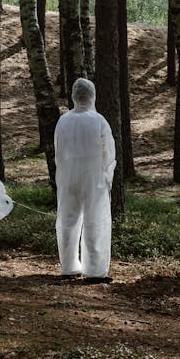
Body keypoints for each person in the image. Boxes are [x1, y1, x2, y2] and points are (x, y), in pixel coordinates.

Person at [54, 78, 116, 282]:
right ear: (92, 95)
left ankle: (69, 265)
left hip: (69, 176)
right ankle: (95, 269)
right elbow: (108, 151)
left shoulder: (64, 120)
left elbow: (59, 151)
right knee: (94, 220)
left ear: (74, 95)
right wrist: (108, 176)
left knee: (68, 219)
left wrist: (63, 174)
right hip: (94, 177)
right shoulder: (98, 120)